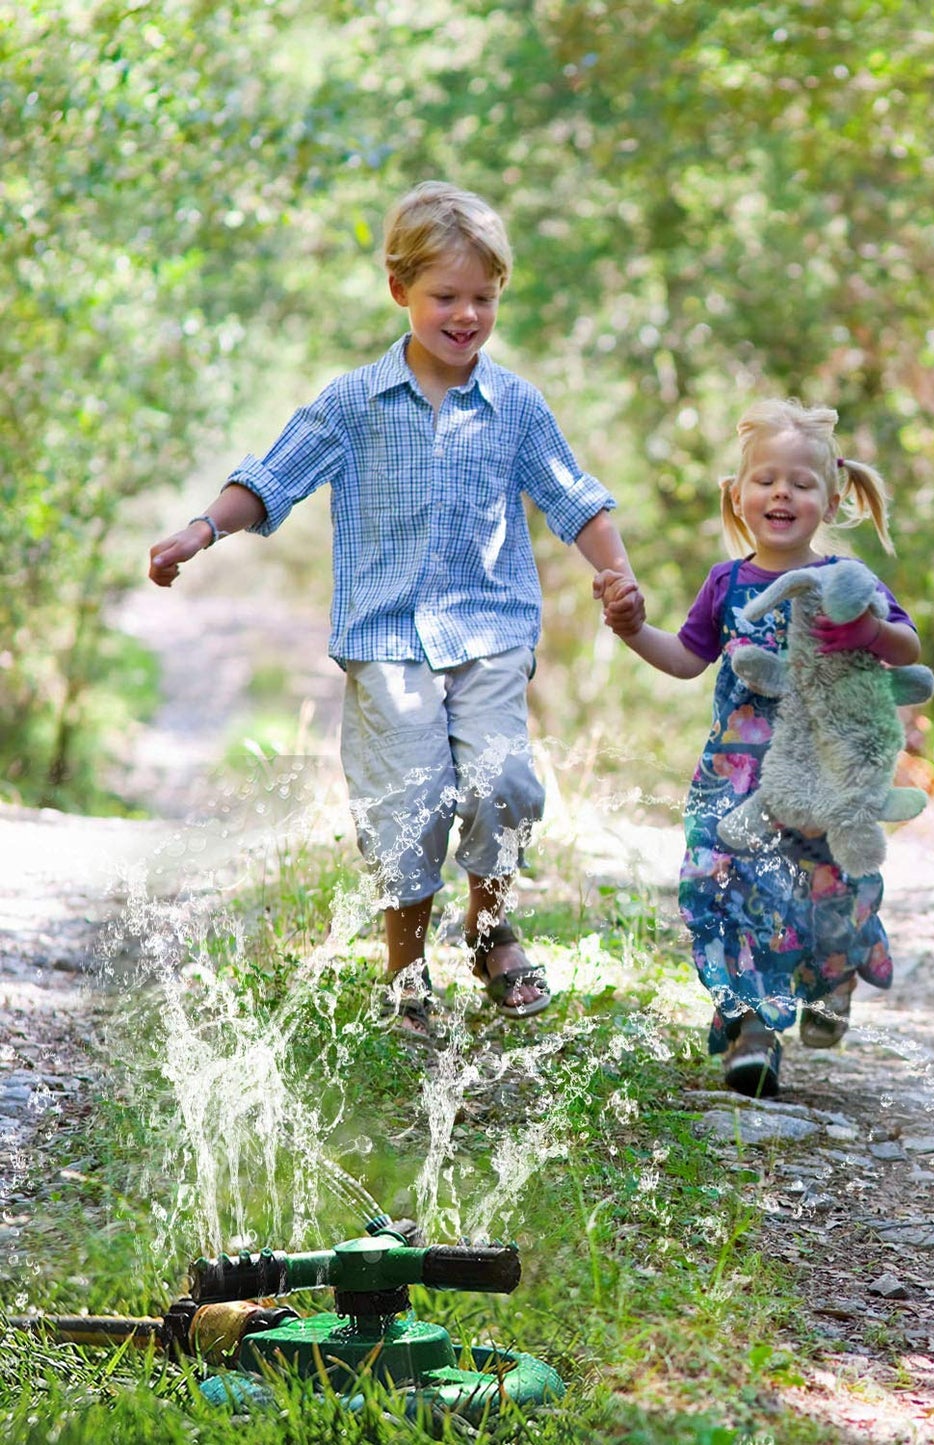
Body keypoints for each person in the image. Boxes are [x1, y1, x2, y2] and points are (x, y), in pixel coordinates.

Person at [148, 181, 643, 1030]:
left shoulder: (515, 405)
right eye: (445, 296)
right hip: (386, 639)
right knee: (410, 799)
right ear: (399, 291)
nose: (465, 316)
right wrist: (201, 530)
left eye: (481, 298)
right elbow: (273, 476)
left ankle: (489, 930)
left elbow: (574, 497)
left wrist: (617, 572)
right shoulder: (353, 402)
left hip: (489, 630)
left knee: (503, 781)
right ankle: (405, 970)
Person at [595, 398, 920, 1096]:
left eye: (801, 483)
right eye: (766, 480)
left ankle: (834, 980)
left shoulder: (842, 583)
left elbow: (907, 646)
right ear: (737, 496)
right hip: (734, 774)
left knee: (824, 886)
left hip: (823, 776)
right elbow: (685, 660)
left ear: (831, 498)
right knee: (727, 883)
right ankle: (752, 1031)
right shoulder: (725, 581)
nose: (782, 492)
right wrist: (630, 629)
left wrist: (869, 632)